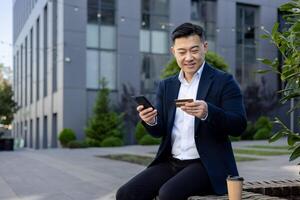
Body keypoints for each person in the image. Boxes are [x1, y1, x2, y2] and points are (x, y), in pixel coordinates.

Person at [116, 22, 247, 200]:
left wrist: (208, 112)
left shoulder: (224, 81)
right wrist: (151, 120)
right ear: (173, 52)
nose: (188, 57)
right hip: (171, 162)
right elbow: (159, 131)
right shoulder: (167, 85)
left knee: (168, 194)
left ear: (205, 47)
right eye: (182, 52)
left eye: (194, 50)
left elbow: (239, 125)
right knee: (126, 194)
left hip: (206, 165)